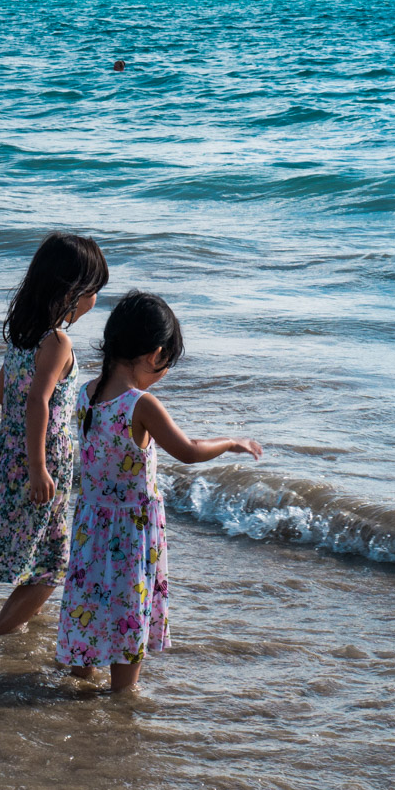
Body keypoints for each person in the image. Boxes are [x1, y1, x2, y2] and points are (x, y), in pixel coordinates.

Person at [56, 291, 262, 692]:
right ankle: (122, 699)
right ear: (154, 355)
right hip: (130, 533)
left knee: (90, 605)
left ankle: (78, 685)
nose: (165, 371)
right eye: (167, 363)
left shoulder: (87, 393)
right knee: (127, 612)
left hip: (90, 528)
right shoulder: (141, 404)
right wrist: (232, 442)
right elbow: (188, 450)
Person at [0, 233, 110, 636]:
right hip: (43, 457)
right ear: (72, 292)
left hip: (11, 449)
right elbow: (37, 402)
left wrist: (14, 444)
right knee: (50, 563)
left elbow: (1, 392)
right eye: (94, 291)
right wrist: (39, 465)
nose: (96, 301)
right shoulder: (57, 341)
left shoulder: (24, 334)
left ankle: (14, 625)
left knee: (37, 550)